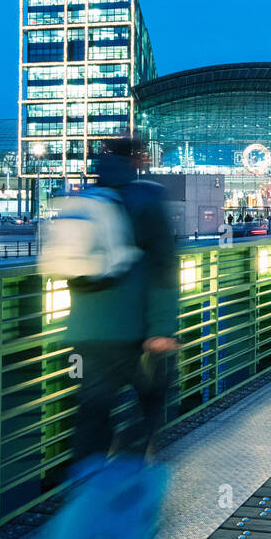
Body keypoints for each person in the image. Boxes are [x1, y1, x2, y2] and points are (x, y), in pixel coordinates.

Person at [61, 133, 179, 467]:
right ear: (135, 160)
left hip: (85, 332)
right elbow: (163, 267)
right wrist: (161, 328)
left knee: (92, 411)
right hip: (135, 333)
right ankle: (127, 488)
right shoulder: (146, 199)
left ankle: (86, 494)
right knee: (154, 399)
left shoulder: (85, 198)